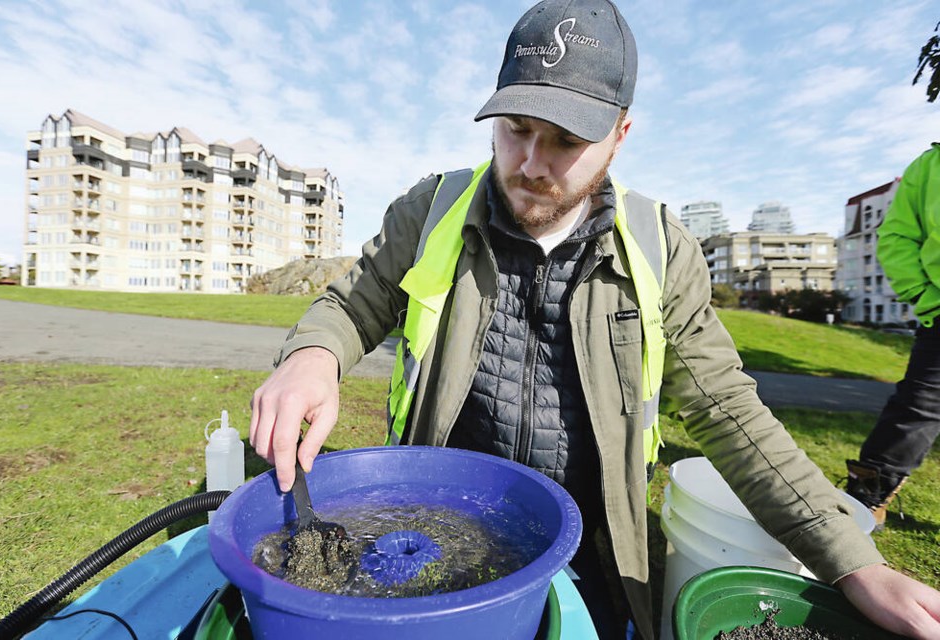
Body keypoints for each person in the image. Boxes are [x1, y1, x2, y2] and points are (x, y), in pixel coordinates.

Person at [249, 1, 940, 637]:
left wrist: (854, 562)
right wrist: (314, 355)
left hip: (597, 553)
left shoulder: (663, 246)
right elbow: (351, 302)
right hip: (433, 535)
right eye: (516, 130)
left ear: (620, 134)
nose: (530, 164)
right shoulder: (430, 211)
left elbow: (729, 411)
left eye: (565, 141)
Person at [847, 143, 940, 530]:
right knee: (917, 408)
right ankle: (867, 498)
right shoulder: (930, 166)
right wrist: (923, 294)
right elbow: (897, 237)